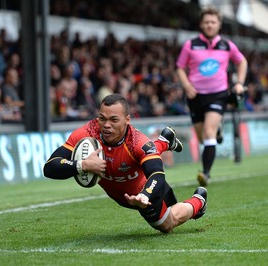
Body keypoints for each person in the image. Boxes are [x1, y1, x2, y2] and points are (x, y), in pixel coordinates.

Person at [43, 93, 207, 233]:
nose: (106, 125)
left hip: (144, 190)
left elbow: (157, 175)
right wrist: (82, 165)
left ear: (127, 120)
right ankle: (164, 141)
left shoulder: (138, 142)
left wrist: (144, 196)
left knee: (167, 224)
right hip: (120, 195)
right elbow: (50, 167)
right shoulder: (87, 133)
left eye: (114, 120)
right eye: (102, 118)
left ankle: (199, 200)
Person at [176, 6, 248, 186]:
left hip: (218, 96)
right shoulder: (190, 45)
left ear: (219, 25)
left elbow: (242, 62)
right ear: (201, 24)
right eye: (206, 22)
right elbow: (179, 67)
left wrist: (239, 83)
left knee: (209, 132)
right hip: (195, 97)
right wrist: (186, 85)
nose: (209, 25)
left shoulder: (227, 45)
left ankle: (205, 174)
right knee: (203, 138)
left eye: (213, 22)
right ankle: (218, 130)